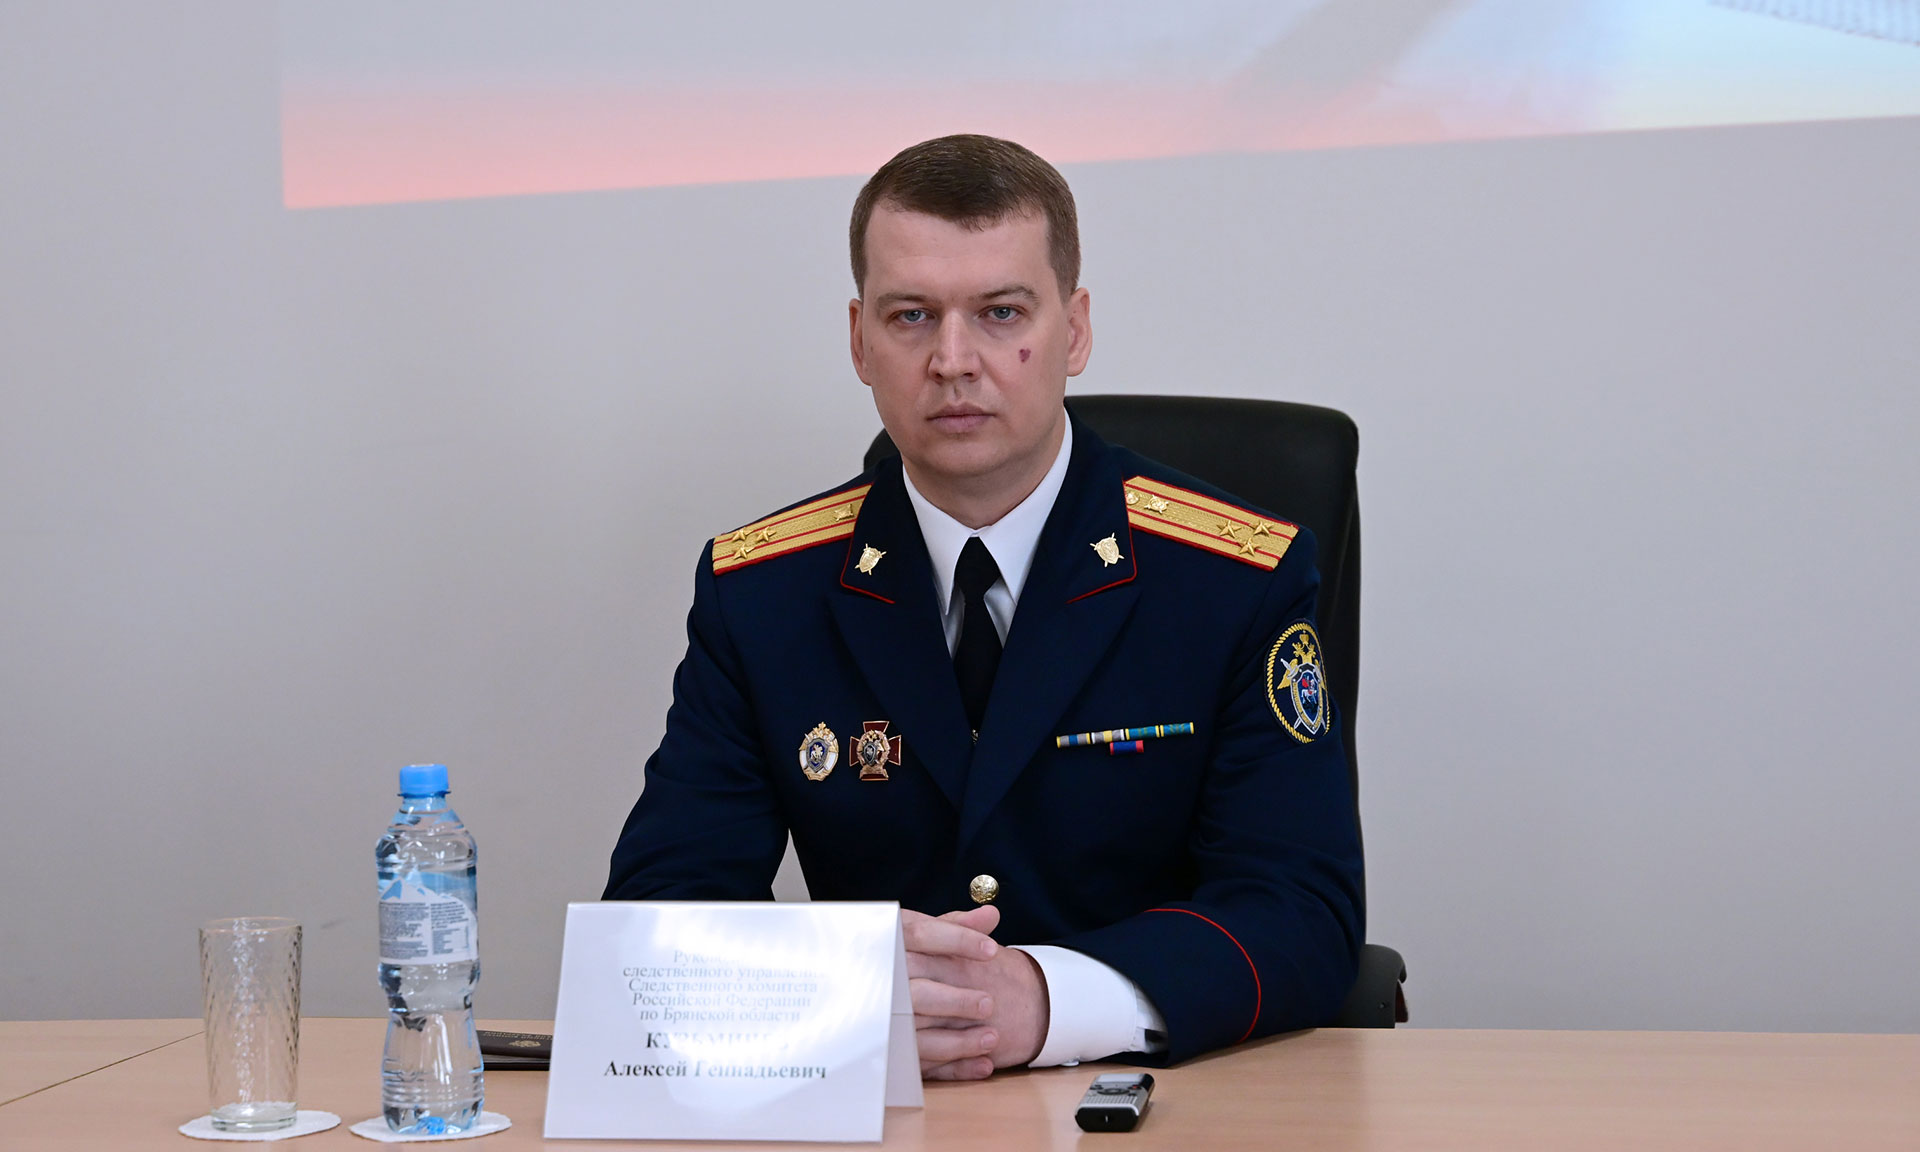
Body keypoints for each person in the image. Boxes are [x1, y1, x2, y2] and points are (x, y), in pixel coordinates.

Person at [606, 134, 1362, 1079]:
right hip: (883, 1107)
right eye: (911, 317)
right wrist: (847, 993)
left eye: (1001, 313)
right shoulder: (761, 591)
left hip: (1161, 1107)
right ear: (860, 340)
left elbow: (1302, 911)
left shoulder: (1235, 576)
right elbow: (661, 913)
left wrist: (1047, 1000)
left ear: (1074, 330)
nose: (952, 361)